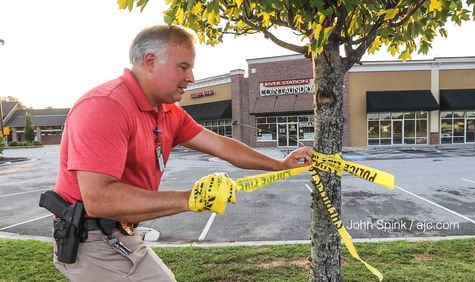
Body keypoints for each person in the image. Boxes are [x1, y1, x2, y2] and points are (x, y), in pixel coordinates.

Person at [50, 24, 312, 281]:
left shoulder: (168, 113)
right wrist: (190, 198)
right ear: (150, 61)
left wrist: (280, 164)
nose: (191, 78)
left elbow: (223, 146)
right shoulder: (105, 106)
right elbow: (100, 198)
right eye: (183, 67)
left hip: (120, 234)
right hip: (90, 241)